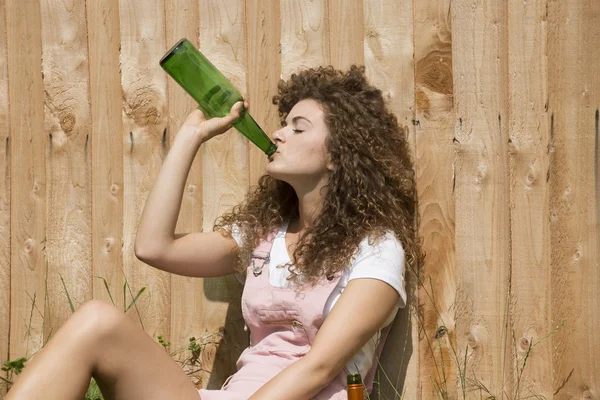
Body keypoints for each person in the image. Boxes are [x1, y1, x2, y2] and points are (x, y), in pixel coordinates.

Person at [6, 65, 421, 400]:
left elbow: (320, 368)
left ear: (337, 156)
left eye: (298, 128)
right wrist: (191, 136)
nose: (278, 134)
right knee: (96, 322)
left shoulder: (375, 248)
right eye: (283, 124)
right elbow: (154, 247)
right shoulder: (265, 235)